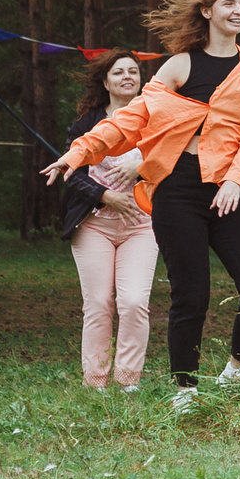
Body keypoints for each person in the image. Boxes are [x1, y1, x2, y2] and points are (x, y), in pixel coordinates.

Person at [43, 0, 240, 409]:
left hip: (228, 189)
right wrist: (78, 153)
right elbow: (130, 121)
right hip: (178, 189)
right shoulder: (180, 66)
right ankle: (185, 389)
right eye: (228, 3)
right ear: (207, 11)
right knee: (193, 294)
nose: (238, 11)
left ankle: (239, 365)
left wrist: (232, 181)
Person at [65, 55, 152, 391]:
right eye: (119, 72)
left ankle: (129, 380)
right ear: (106, 82)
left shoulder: (155, 120)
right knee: (99, 303)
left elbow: (171, 160)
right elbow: (71, 172)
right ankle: (96, 381)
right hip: (94, 225)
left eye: (133, 71)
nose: (127, 76)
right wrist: (105, 195)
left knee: (133, 302)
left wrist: (141, 167)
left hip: (142, 225)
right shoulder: (86, 124)